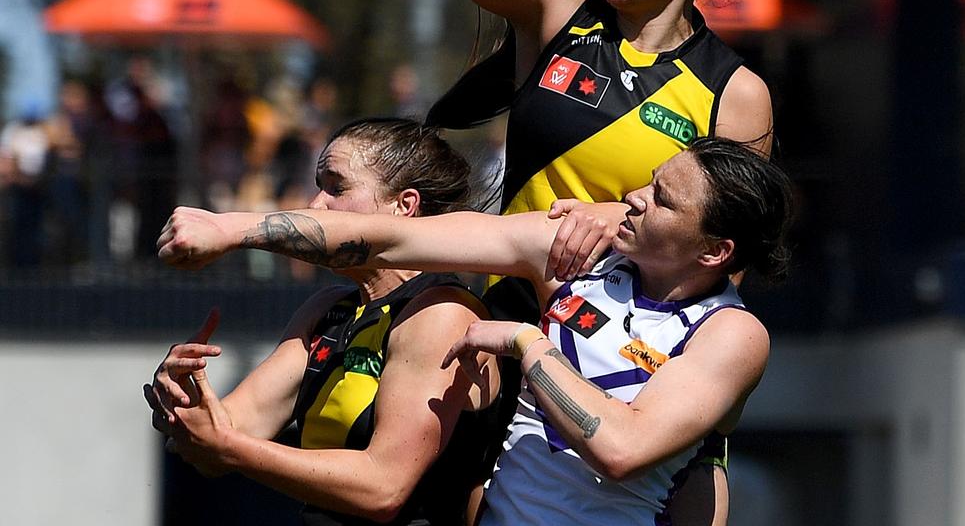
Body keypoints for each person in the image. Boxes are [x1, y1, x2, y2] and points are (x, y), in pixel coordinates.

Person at [266, 0, 775, 522]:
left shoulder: (735, 93)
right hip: (513, 324)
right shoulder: (558, 8)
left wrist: (612, 216)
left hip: (641, 365)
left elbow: (728, 256)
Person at [156, 136, 794, 526]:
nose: (631, 197)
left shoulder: (731, 334)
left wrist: (526, 342)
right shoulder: (576, 256)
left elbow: (622, 448)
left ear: (715, 250)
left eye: (663, 199)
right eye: (649, 182)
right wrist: (235, 228)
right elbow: (397, 236)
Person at [145, 118, 502, 526]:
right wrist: (184, 402)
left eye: (336, 187)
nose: (315, 206)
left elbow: (383, 488)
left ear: (404, 206)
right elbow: (225, 435)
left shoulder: (441, 313)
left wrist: (229, 446)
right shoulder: (326, 309)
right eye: (317, 186)